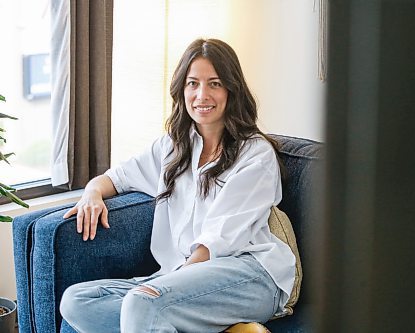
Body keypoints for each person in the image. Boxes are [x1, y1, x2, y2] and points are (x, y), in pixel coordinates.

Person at [59, 38, 296, 333]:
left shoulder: (255, 155)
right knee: (76, 301)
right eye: (193, 83)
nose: (201, 94)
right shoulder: (172, 148)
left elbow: (217, 241)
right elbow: (115, 178)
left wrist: (162, 292)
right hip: (181, 276)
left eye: (215, 83)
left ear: (231, 90)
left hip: (249, 275)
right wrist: (92, 194)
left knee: (141, 304)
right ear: (181, 90)